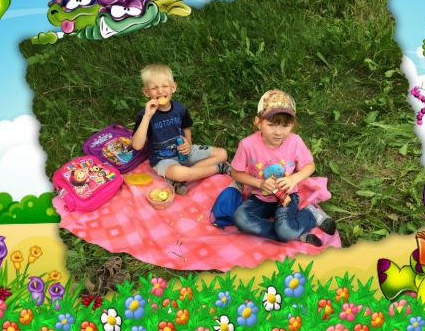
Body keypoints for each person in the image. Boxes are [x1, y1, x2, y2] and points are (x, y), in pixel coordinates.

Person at [230, 90, 336, 246]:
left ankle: (310, 214)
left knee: (285, 231)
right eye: (271, 124)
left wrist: (293, 179)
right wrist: (260, 183)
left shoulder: (295, 141)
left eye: (285, 125)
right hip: (260, 197)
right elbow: (235, 173)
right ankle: (292, 232)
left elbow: (310, 166)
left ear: (292, 124)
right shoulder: (247, 145)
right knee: (240, 218)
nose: (278, 132)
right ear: (258, 122)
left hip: (287, 196)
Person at [132, 64, 230, 194]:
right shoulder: (144, 115)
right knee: (179, 172)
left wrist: (188, 143)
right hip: (163, 159)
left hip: (184, 152)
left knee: (222, 154)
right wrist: (147, 116)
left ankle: (181, 178)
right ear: (146, 92)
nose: (160, 91)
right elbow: (137, 145)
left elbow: (186, 128)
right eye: (154, 88)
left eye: (165, 86)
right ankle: (218, 168)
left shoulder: (179, 108)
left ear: (173, 87)